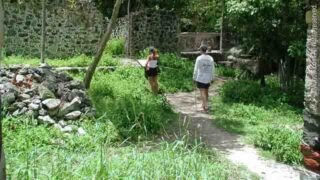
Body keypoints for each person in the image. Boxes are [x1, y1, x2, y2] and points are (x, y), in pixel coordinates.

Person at [193, 44, 214, 112]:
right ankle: (204, 104)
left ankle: (206, 106)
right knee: (206, 91)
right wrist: (212, 77)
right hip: (208, 78)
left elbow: (196, 69)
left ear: (201, 50)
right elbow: (212, 69)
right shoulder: (210, 58)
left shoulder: (199, 58)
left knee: (202, 92)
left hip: (200, 77)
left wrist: (194, 77)